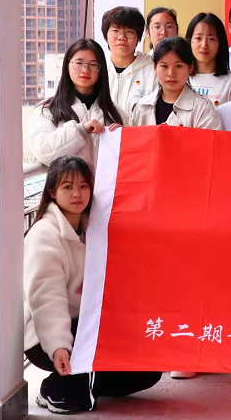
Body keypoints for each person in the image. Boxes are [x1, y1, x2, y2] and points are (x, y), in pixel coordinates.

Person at [24, 156, 162, 413]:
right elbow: (47, 300)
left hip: (89, 325)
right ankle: (57, 386)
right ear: (52, 191)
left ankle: (85, 378)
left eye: (84, 186)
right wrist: (58, 345)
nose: (77, 194)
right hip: (46, 336)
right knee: (76, 400)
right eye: (67, 187)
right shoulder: (44, 235)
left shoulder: (94, 227)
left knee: (149, 369)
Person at [29, 39, 125, 170]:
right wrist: (81, 131)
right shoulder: (47, 110)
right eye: (79, 63)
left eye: (93, 64)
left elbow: (133, 158)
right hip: (70, 184)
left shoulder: (116, 112)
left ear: (101, 70)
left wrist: (125, 138)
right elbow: (42, 151)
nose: (85, 70)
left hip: (108, 184)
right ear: (67, 66)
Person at [129, 37, 222, 129]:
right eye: (164, 66)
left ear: (190, 67)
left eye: (178, 66)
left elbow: (211, 138)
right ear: (155, 67)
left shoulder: (203, 109)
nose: (171, 73)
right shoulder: (141, 107)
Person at [102, 6, 157, 116]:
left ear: (138, 37)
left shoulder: (153, 70)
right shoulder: (98, 68)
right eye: (115, 31)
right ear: (106, 35)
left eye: (129, 32)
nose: (121, 37)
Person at [186, 12, 231, 108]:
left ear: (220, 43)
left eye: (211, 39)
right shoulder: (181, 78)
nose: (204, 45)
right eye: (198, 38)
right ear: (189, 41)